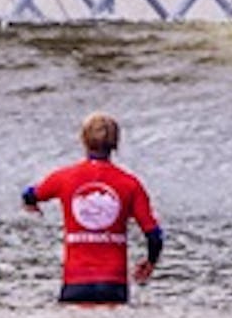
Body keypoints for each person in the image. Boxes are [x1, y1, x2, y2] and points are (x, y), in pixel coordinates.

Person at [22, 111, 163, 304]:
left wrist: (31, 203)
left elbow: (31, 193)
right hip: (114, 285)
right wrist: (150, 262)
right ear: (115, 144)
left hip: (75, 283)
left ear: (84, 141)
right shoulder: (130, 184)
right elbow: (154, 235)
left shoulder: (64, 178)